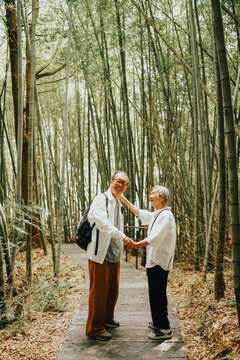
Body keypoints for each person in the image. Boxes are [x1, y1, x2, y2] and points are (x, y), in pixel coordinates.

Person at [119, 185, 176, 340]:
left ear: (162, 198)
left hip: (159, 261)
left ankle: (163, 328)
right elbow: (138, 212)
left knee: (157, 294)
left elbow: (155, 237)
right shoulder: (158, 214)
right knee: (155, 293)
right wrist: (122, 198)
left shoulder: (165, 215)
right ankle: (158, 322)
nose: (150, 195)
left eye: (154, 193)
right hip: (155, 260)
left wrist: (136, 244)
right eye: (150, 192)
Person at [86, 171, 131, 341]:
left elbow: (119, 224)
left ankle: (107, 319)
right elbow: (103, 224)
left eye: (124, 183)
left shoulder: (118, 202)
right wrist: (123, 237)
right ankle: (94, 328)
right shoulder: (101, 200)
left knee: (112, 290)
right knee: (99, 291)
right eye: (118, 181)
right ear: (112, 180)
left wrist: (121, 241)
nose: (120, 185)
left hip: (114, 252)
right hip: (100, 253)